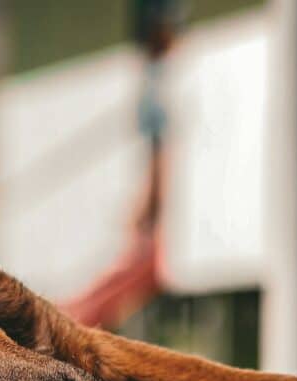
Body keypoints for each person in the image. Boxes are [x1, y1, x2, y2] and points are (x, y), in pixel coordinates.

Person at [60, 1, 180, 328]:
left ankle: (73, 314)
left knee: (129, 276)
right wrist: (147, 203)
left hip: (156, 213)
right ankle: (72, 315)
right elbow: (158, 152)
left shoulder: (158, 78)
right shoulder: (158, 80)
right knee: (131, 274)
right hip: (155, 212)